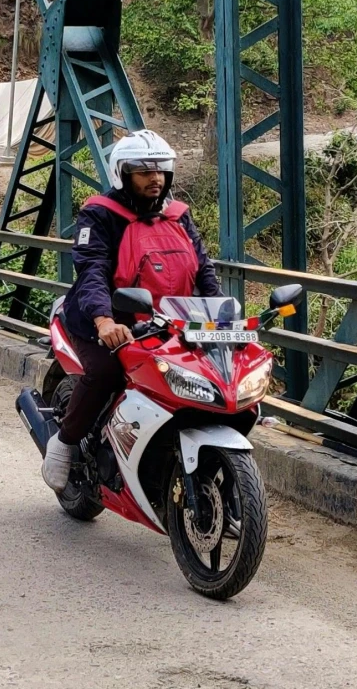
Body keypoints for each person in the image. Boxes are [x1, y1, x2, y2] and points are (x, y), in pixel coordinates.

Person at [41, 130, 222, 491]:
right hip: (105, 321)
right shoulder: (99, 215)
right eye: (143, 171)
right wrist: (103, 319)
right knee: (105, 372)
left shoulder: (177, 215)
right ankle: (62, 445)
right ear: (122, 174)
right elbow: (92, 269)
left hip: (167, 321)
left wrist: (221, 315)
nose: (155, 178)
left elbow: (203, 269)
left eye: (161, 171)